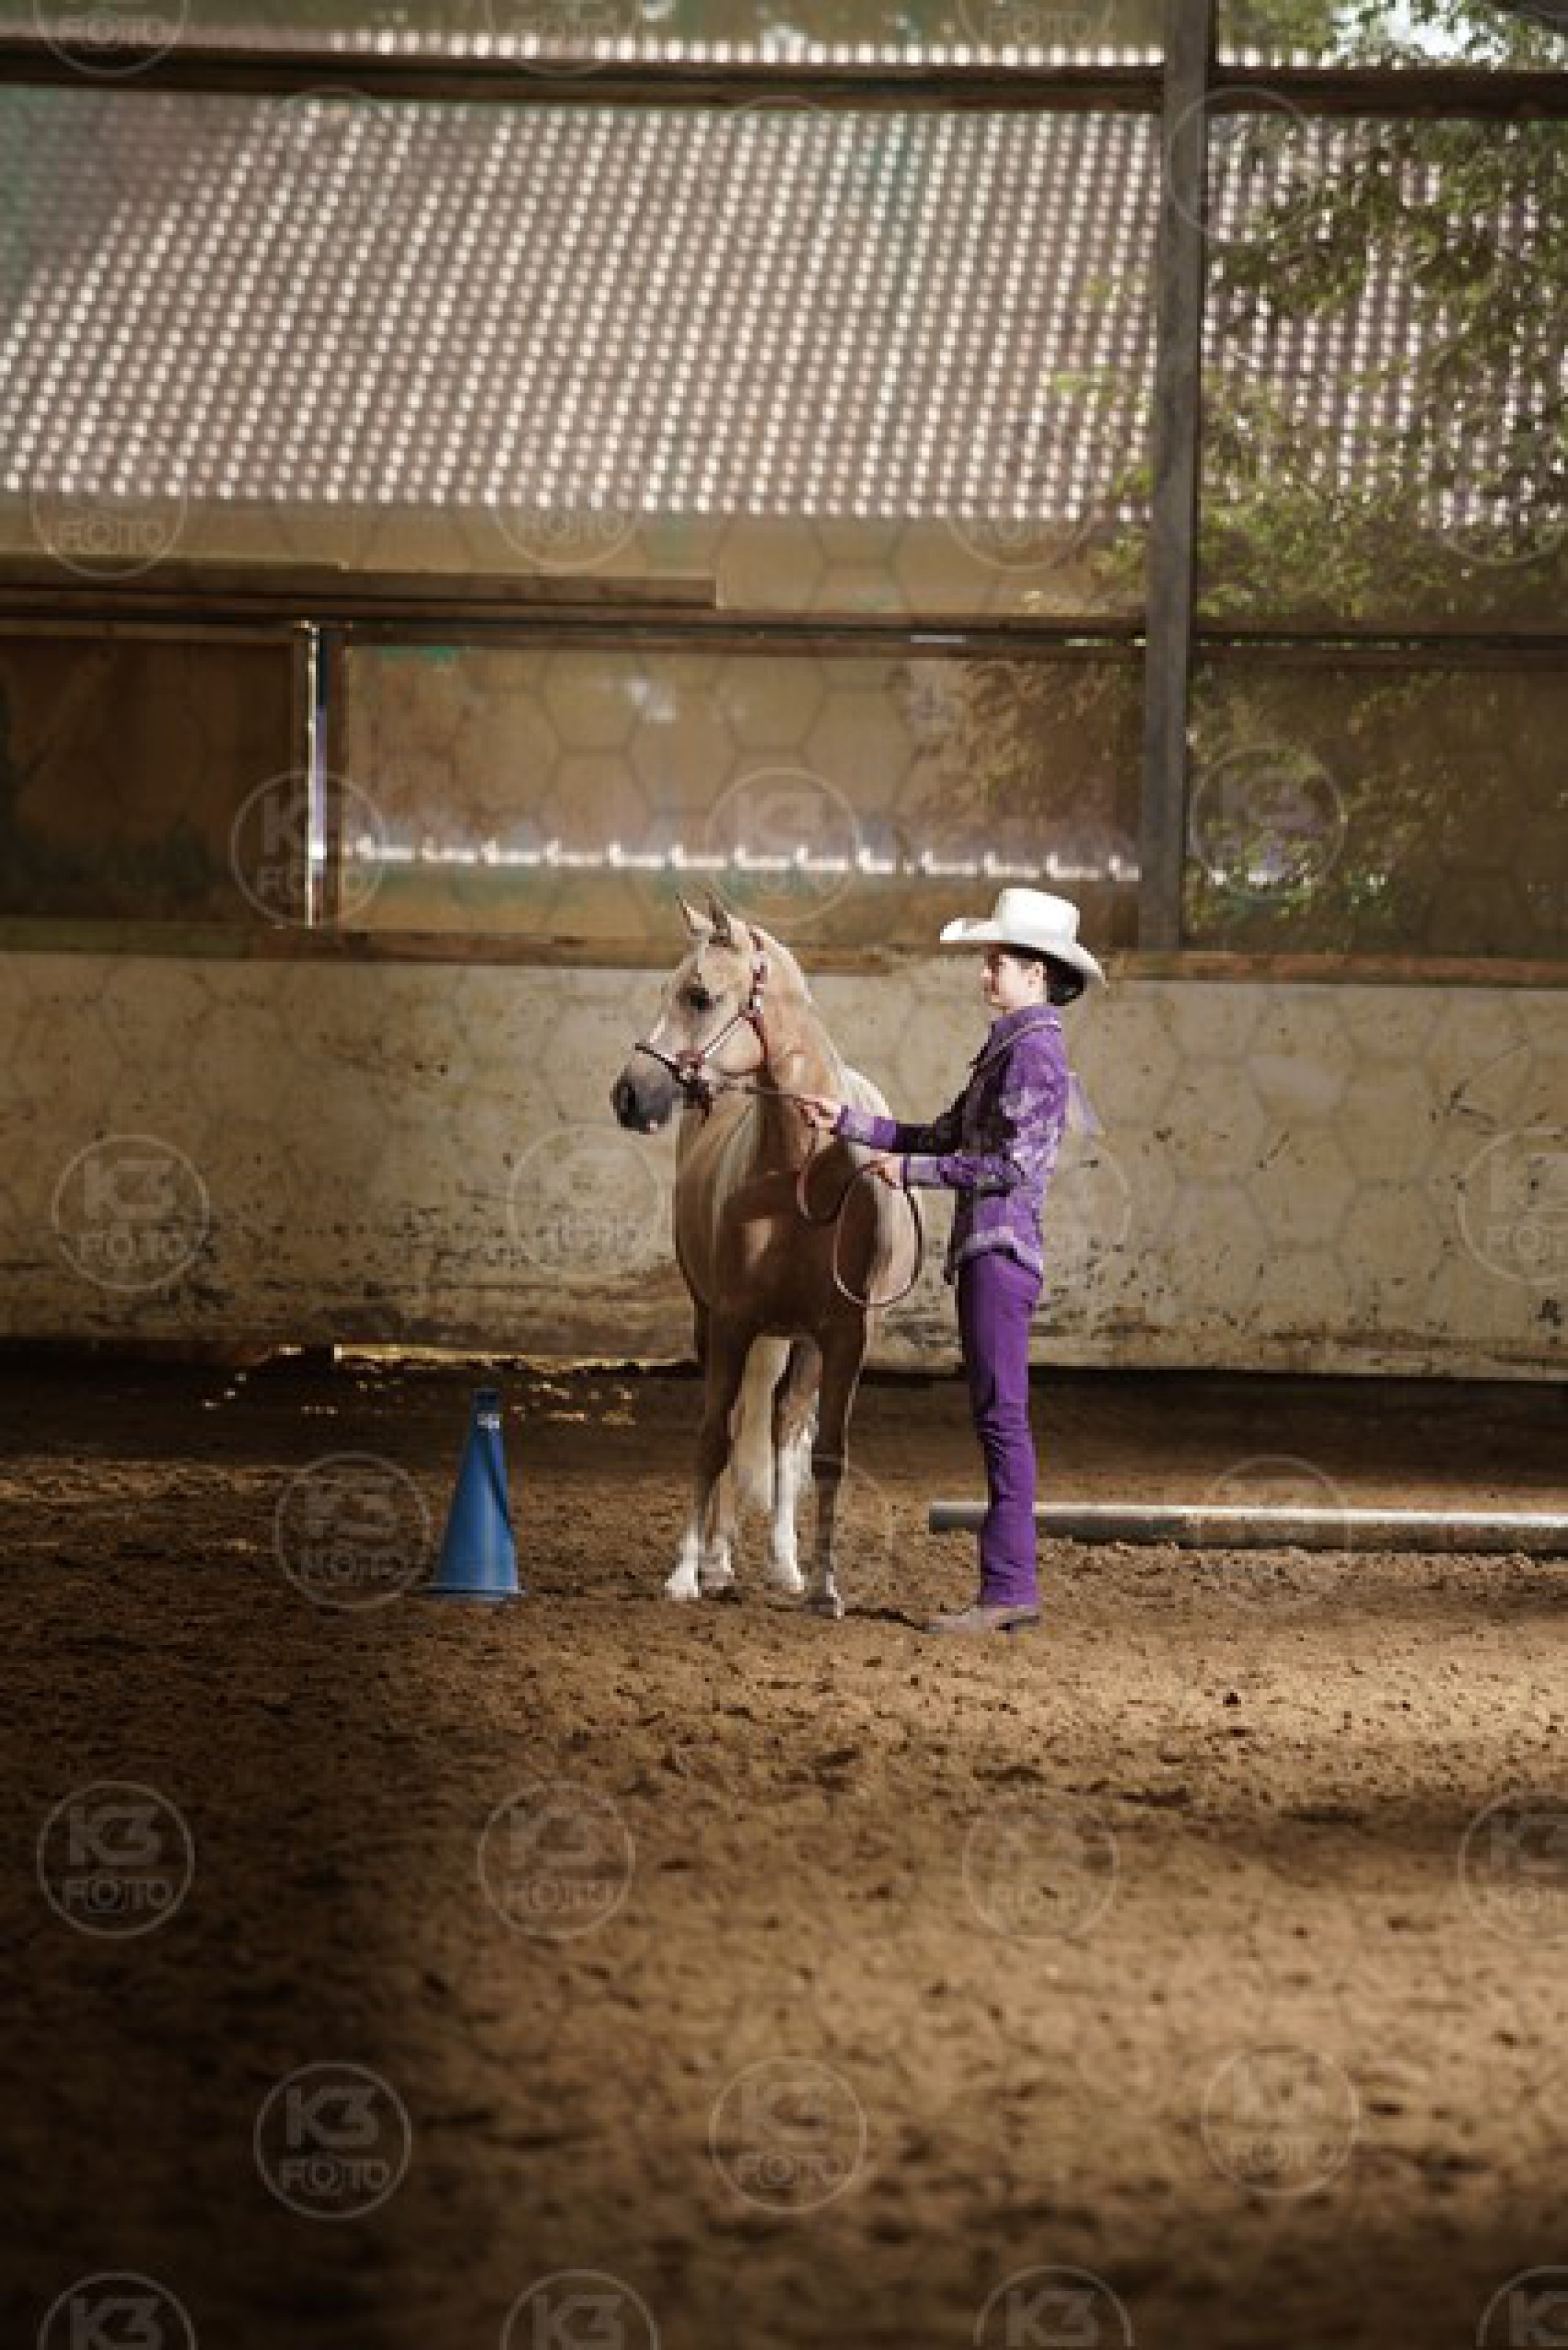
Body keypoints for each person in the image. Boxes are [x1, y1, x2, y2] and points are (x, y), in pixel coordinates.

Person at [797, 885, 1106, 1636]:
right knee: (998, 1418)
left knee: (1002, 1421)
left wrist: (911, 1174)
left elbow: (1008, 1165)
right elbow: (943, 1134)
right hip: (989, 1252)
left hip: (999, 1253)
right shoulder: (1014, 1046)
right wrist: (851, 1122)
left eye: (997, 961)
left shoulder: (1033, 1053)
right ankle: (1008, 1586)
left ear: (1036, 973)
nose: (985, 972)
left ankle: (1009, 1588)